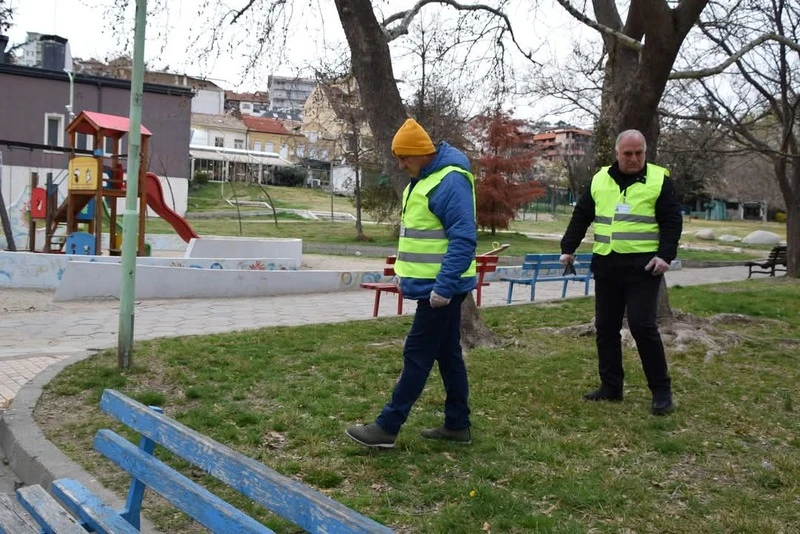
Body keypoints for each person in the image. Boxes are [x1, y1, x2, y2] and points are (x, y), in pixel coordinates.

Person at [345, 118, 478, 448]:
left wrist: (444, 288)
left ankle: (387, 427)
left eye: (404, 157)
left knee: (417, 354)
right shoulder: (423, 181)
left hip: (441, 291)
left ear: (420, 153)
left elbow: (463, 239)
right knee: (448, 356)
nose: (400, 164)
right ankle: (457, 424)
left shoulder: (449, 182)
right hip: (435, 290)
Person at [560, 129, 682, 416]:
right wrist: (568, 247)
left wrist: (665, 256)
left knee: (642, 326)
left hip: (643, 268)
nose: (634, 158)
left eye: (639, 153)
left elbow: (671, 222)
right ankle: (611, 386)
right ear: (617, 153)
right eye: (628, 153)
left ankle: (661, 391)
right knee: (605, 327)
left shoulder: (659, 180)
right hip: (607, 265)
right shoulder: (599, 179)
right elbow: (582, 216)